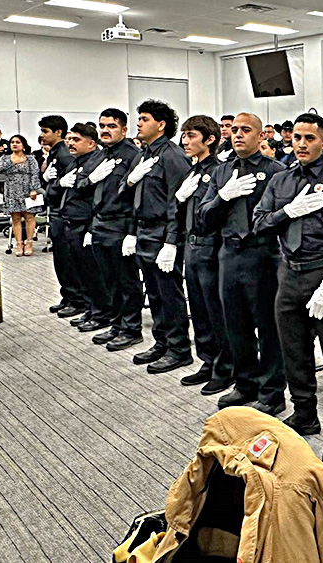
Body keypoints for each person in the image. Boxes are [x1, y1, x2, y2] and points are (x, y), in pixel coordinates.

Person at [253, 112, 323, 467]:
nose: (301, 144)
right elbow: (259, 223)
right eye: (296, 137)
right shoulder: (281, 180)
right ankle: (304, 414)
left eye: (309, 138)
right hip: (290, 272)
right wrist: (288, 211)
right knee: (293, 350)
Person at [195, 112, 286, 408]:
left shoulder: (276, 171)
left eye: (246, 130)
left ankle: (272, 392)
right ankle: (246, 384)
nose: (237, 135)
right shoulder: (222, 172)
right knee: (236, 325)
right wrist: (222, 197)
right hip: (229, 254)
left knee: (268, 328)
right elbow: (203, 218)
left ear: (261, 136)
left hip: (264, 254)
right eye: (234, 130)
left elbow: (283, 218)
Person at [123, 99, 193, 374]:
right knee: (153, 293)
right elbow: (130, 195)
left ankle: (179, 349)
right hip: (144, 230)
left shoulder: (172, 156)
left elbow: (178, 203)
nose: (138, 123)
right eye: (139, 118)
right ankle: (162, 342)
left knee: (169, 293)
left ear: (161, 125)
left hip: (163, 231)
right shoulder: (143, 155)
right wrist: (132, 232)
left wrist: (171, 241)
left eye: (145, 119)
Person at [174, 115, 234, 392]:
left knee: (215, 311)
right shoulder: (192, 171)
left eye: (191, 136)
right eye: (183, 135)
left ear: (209, 139)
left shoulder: (219, 171)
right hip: (192, 245)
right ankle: (208, 361)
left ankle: (225, 367)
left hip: (211, 246)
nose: (184, 141)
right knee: (198, 310)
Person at [88, 108, 144, 352]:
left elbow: (135, 198)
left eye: (111, 126)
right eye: (102, 126)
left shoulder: (133, 156)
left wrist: (132, 232)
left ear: (123, 129)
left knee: (127, 281)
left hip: (120, 225)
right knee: (108, 280)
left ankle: (131, 329)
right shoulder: (100, 155)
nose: (105, 130)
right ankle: (117, 324)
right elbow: (84, 185)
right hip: (100, 223)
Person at [56, 122, 114, 334]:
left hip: (85, 224)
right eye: (70, 139)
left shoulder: (96, 162)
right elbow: (59, 190)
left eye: (76, 140)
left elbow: (96, 199)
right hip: (71, 222)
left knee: (94, 273)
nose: (70, 143)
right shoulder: (76, 162)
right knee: (82, 272)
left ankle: (102, 314)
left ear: (91, 144)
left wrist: (91, 228)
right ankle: (91, 309)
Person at [40, 115, 81, 318]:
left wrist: (52, 185)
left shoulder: (64, 155)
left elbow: (70, 185)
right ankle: (68, 296)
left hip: (63, 212)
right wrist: (45, 180)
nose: (42, 135)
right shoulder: (55, 153)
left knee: (67, 260)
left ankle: (77, 299)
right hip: (55, 210)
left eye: (45, 131)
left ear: (58, 132)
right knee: (60, 259)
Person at [0, 135, 42, 255]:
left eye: (18, 142)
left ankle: (29, 243)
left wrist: (34, 189)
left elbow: (35, 174)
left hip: (27, 190)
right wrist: (12, 160)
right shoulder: (5, 158)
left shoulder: (30, 158)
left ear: (23, 145)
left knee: (29, 217)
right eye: (12, 142)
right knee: (15, 219)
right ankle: (19, 244)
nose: (14, 144)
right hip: (11, 191)